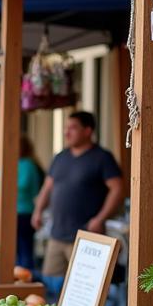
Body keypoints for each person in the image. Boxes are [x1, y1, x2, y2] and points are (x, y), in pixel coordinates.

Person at [32, 111, 123, 281]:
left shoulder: (102, 157)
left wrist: (100, 219)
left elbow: (117, 189)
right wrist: (37, 211)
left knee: (85, 288)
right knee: (50, 287)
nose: (67, 132)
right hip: (56, 235)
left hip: (87, 236)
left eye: (73, 128)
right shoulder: (60, 157)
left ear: (88, 131)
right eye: (66, 128)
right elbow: (47, 188)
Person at [0, 135, 44, 272]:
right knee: (12, 251)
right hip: (10, 213)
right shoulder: (4, 165)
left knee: (24, 251)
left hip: (24, 213)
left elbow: (32, 189)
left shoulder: (28, 166)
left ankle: (25, 278)